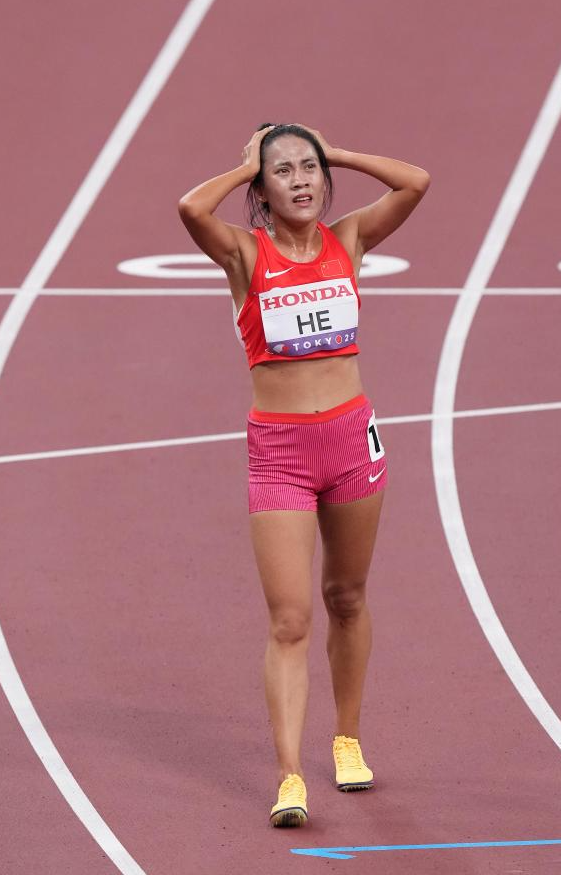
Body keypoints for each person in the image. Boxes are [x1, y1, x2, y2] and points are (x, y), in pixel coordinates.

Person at [178, 123, 430, 827]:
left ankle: (347, 740)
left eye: (309, 168)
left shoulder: (349, 240)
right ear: (261, 189)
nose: (301, 180)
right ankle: (290, 777)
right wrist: (245, 165)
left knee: (347, 597)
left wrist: (338, 151)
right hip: (281, 452)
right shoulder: (243, 253)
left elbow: (415, 182)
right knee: (289, 619)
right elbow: (192, 208)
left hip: (352, 441)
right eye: (283, 171)